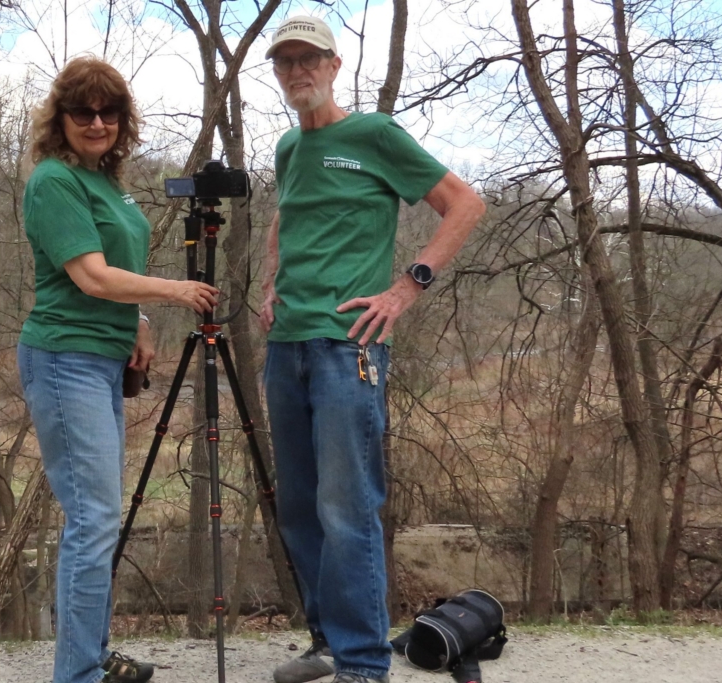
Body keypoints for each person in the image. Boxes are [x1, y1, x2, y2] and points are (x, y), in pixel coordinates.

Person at [259, 16, 487, 683]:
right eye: (286, 61)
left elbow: (465, 204)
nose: (298, 71)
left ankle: (362, 663)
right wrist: (271, 283)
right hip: (286, 347)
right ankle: (328, 642)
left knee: (345, 506)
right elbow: (285, 215)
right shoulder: (288, 148)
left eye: (309, 58)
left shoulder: (374, 135)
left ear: (334, 66)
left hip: (348, 348)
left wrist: (407, 287)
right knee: (299, 508)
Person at [17, 56, 219, 683]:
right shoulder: (54, 180)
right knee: (94, 518)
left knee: (98, 516)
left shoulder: (108, 181)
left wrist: (139, 322)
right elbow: (91, 276)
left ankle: (93, 656)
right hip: (65, 359)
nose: (97, 122)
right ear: (61, 118)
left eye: (109, 112)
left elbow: (112, 276)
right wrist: (175, 291)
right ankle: (78, 672)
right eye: (83, 111)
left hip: (104, 358)